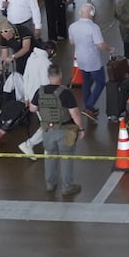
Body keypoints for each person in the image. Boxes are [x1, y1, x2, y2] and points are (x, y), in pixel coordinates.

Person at [28, 65, 84, 195]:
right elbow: (75, 113)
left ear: (48, 77)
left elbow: (32, 108)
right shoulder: (65, 92)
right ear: (60, 75)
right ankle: (67, 187)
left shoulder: (40, 91)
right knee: (66, 158)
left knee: (50, 157)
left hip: (47, 131)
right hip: (65, 131)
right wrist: (80, 128)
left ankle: (50, 184)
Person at [68, 3, 110, 120]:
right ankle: (89, 106)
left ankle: (89, 108)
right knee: (100, 82)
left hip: (81, 59)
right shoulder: (93, 27)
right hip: (93, 61)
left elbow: (72, 42)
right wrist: (109, 49)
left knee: (86, 82)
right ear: (92, 13)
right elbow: (100, 45)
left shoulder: (72, 26)